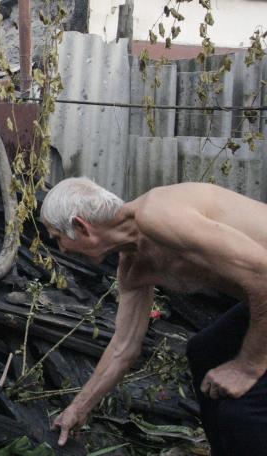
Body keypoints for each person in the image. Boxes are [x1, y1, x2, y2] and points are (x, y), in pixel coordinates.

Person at [40, 177, 267, 454]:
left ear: (81, 226)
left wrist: (248, 367)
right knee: (204, 352)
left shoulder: (157, 214)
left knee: (243, 413)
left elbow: (263, 275)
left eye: (57, 237)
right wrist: (78, 408)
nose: (61, 249)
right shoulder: (134, 264)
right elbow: (124, 347)